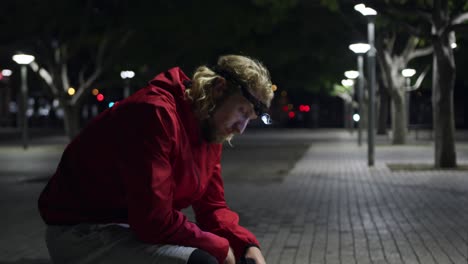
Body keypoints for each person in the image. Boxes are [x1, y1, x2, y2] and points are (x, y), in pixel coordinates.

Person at [38, 54, 275, 264]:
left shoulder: (209, 130)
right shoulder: (154, 113)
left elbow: (212, 207)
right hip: (82, 232)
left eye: (249, 119)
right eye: (242, 112)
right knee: (203, 261)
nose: (241, 129)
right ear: (219, 89)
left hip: (128, 229)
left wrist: (245, 244)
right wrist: (220, 247)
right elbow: (153, 220)